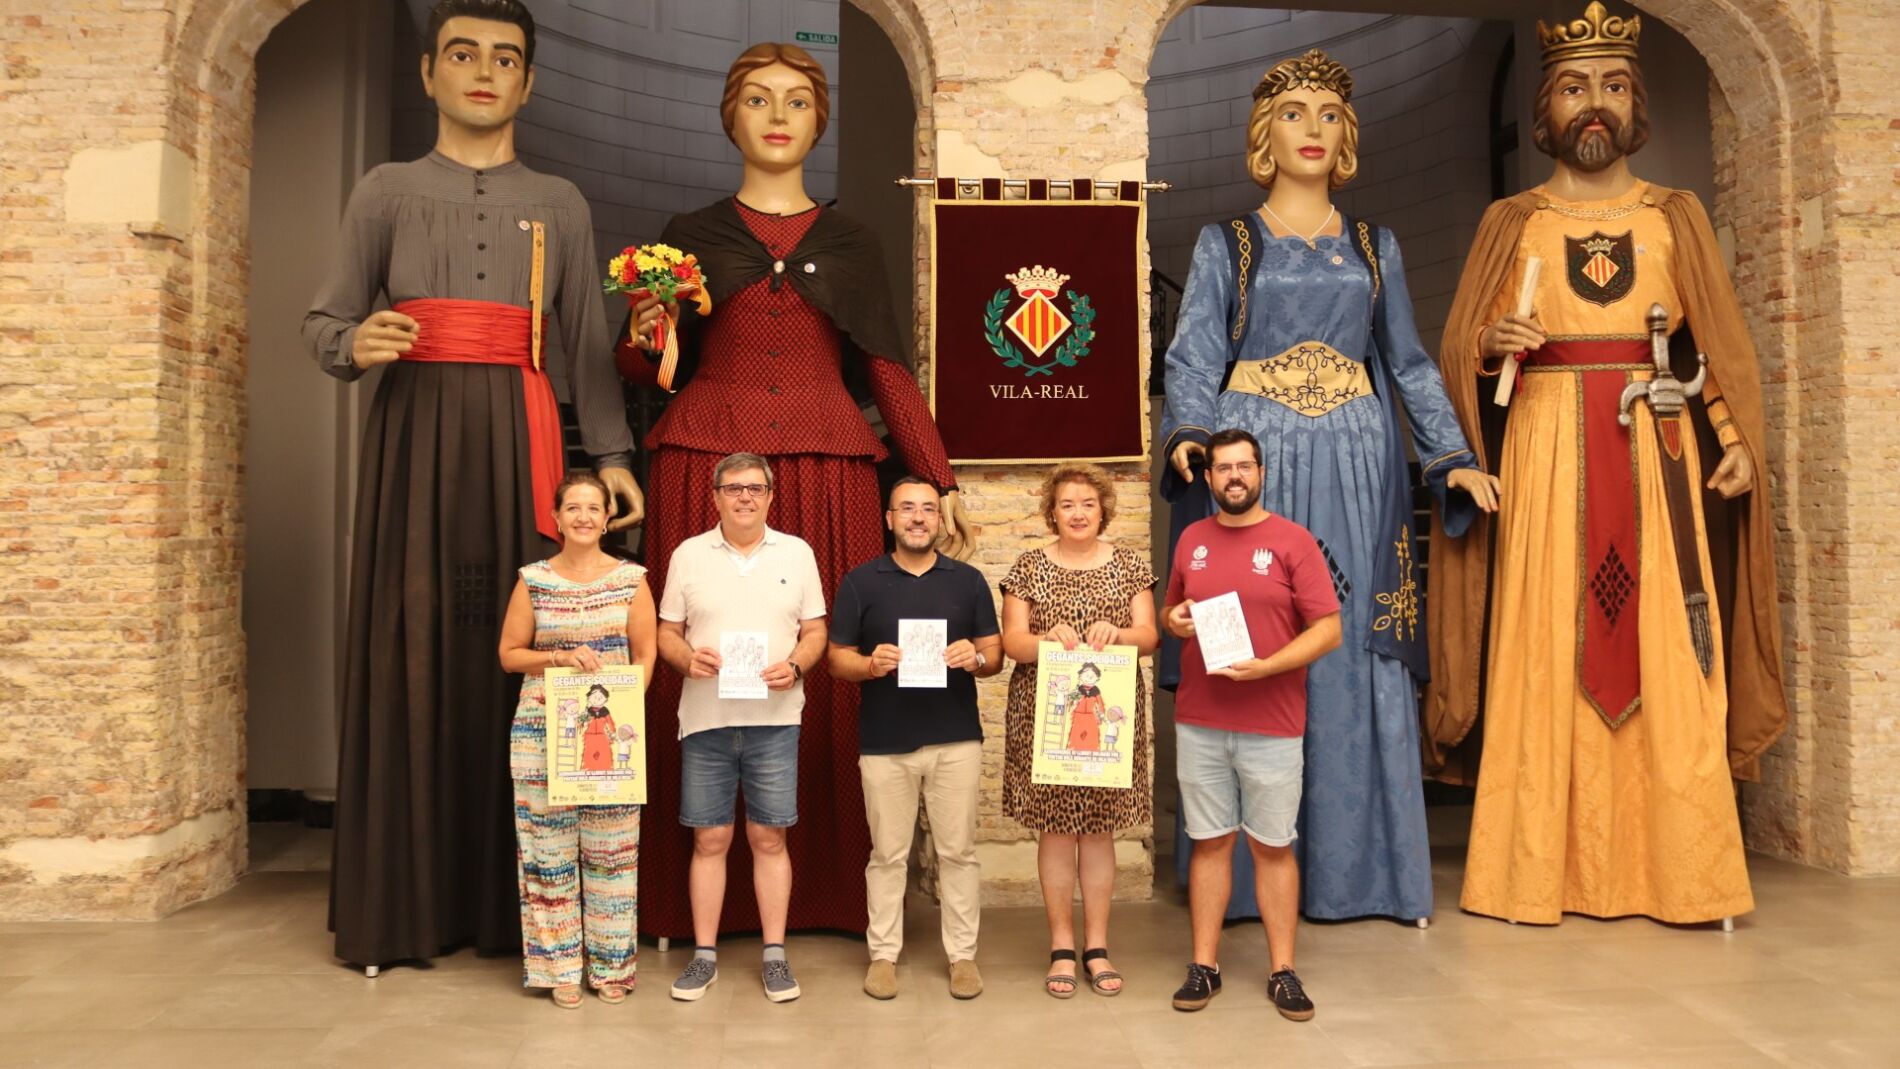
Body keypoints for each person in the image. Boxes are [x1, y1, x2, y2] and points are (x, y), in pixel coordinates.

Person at [303, 0, 649, 971]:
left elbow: (584, 345)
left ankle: (524, 908)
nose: (484, 71)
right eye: (462, 53)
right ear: (429, 73)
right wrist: (354, 342)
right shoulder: (384, 190)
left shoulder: (563, 202)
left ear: (529, 82)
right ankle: (402, 908)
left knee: (535, 646)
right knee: (412, 639)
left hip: (521, 433)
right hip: (414, 440)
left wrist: (612, 455)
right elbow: (325, 320)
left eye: (505, 58)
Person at [1424, 2, 1787, 926]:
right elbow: (1460, 351)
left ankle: (1684, 874)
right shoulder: (1512, 221)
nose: (1597, 104)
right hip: (1546, 445)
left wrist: (1735, 439)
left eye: (1616, 86)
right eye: (1576, 88)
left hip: (1656, 446)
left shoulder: (1677, 215)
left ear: (1637, 105)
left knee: (1665, 637)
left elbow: (1716, 347)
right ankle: (1533, 872)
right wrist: (1489, 343)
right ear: (1545, 109)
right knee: (1545, 639)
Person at [616, 42, 969, 943]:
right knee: (694, 659)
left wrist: (936, 476)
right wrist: (647, 330)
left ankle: (827, 895)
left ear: (820, 122)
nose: (778, 116)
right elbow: (648, 370)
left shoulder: (852, 242)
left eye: (798, 101)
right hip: (706, 460)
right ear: (729, 118)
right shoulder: (687, 236)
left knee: (829, 661)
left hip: (828, 469)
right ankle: (691, 903)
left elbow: (886, 367)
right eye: (758, 99)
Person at [1157, 48, 1498, 927]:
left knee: (1348, 640)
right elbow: (1193, 354)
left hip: (1356, 461)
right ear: (1262, 135)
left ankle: (1361, 872)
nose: (1313, 128)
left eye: (1329, 113)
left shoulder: (1375, 246)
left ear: (1348, 135)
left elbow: (1408, 362)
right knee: (1253, 628)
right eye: (1293, 113)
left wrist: (1449, 454)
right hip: (1256, 455)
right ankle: (1239, 885)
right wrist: (1191, 434)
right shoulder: (1227, 243)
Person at [1162, 430, 1342, 1019]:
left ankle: (1283, 971)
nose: (1234, 476)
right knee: (1210, 843)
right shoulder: (1191, 539)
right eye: (1223, 468)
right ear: (1208, 477)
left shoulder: (1293, 541)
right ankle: (1204, 966)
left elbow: (1328, 629)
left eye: (1244, 466)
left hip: (1273, 722)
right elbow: (1171, 613)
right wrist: (1175, 620)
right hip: (1201, 720)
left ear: (1261, 473)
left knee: (1272, 847)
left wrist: (1269, 666)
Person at [657, 453, 827, 1003]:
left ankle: (775, 955)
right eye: (733, 488)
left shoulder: (798, 553)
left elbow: (816, 632)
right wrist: (686, 659)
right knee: (709, 838)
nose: (745, 497)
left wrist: (796, 666)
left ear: (771, 496)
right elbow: (666, 633)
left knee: (769, 837)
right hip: (705, 720)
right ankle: (703, 957)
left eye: (755, 488)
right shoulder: (688, 554)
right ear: (715, 496)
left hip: (775, 722)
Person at [827, 477, 1004, 1001]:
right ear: (890, 519)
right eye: (907, 508)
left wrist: (975, 657)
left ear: (940, 520)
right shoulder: (861, 581)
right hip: (885, 742)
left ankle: (963, 956)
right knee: (887, 854)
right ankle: (883, 956)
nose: (919, 517)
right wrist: (868, 664)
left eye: (928, 508)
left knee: (958, 853)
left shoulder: (968, 581)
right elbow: (836, 660)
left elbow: (995, 656)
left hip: (956, 740)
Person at [496, 471, 656, 1008]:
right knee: (547, 856)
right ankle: (559, 967)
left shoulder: (631, 579)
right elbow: (509, 654)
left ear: (608, 518)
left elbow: (646, 655)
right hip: (541, 737)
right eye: (573, 508)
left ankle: (611, 967)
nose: (584, 517)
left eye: (594, 508)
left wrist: (624, 704)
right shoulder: (533, 580)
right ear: (556, 518)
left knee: (612, 855)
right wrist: (559, 658)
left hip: (608, 742)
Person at [999, 464, 1159, 999]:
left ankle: (1097, 947)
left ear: (1103, 509)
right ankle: (1061, 946)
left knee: (1098, 830)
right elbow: (1012, 643)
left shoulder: (1129, 565)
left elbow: (1150, 636)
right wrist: (1047, 639)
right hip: (1046, 719)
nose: (1078, 513)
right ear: (1052, 512)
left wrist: (1120, 635)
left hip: (1108, 718)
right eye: (1067, 504)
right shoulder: (1028, 566)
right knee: (1054, 829)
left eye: (1088, 503)